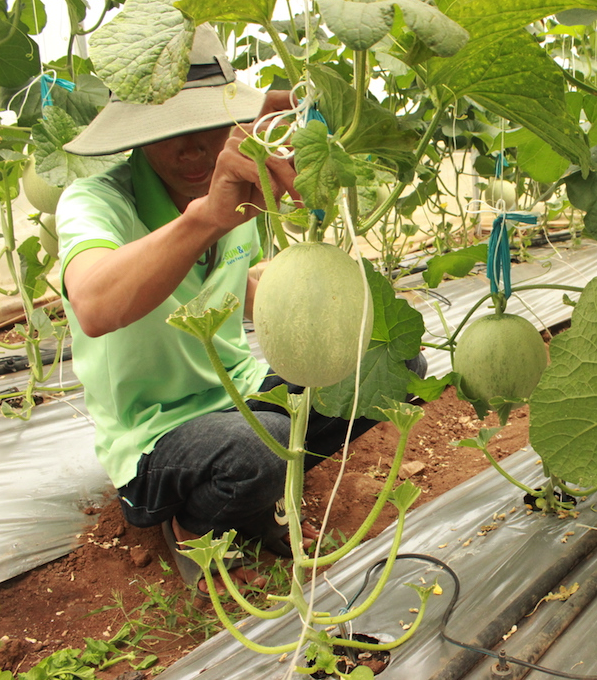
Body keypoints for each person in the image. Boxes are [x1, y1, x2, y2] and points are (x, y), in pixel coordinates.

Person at [57, 25, 405, 596]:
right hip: (154, 432)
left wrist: (290, 290)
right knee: (257, 447)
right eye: (169, 130)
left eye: (206, 123)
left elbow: (229, 278)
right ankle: (194, 527)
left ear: (236, 124)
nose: (192, 148)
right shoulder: (95, 201)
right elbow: (93, 304)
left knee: (385, 372)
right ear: (137, 137)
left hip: (237, 387)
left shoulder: (247, 179)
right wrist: (206, 217)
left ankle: (256, 503)